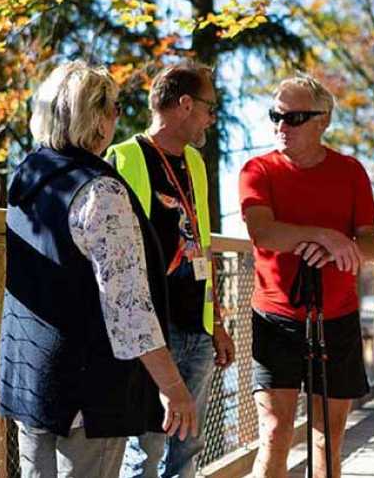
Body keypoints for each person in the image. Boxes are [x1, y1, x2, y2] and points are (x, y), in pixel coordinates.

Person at [0, 60, 197, 478]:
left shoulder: (27, 176)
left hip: (29, 373)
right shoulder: (99, 191)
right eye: (116, 108)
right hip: (87, 387)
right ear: (97, 115)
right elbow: (129, 312)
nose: (118, 118)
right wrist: (174, 389)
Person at [239, 74, 374, 478]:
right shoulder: (258, 170)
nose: (281, 126)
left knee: (328, 436)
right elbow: (263, 231)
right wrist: (327, 237)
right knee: (273, 430)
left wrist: (341, 249)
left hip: (336, 317)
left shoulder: (350, 171)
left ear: (322, 121)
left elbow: (372, 246)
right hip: (275, 318)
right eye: (276, 116)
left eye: (295, 117)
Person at [106, 60, 235, 478]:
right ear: (184, 104)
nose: (212, 118)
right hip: (150, 338)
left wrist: (215, 321)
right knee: (145, 450)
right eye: (209, 108)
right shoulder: (124, 157)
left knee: (188, 448)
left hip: (195, 330)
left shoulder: (195, 162)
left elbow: (203, 245)